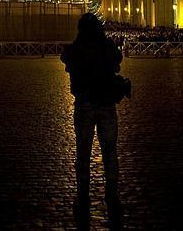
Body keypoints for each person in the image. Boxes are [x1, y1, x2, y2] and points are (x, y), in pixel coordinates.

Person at [61, 13, 129, 229]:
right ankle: (111, 191)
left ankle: (83, 193)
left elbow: (66, 60)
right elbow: (117, 62)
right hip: (107, 105)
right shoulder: (107, 46)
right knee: (110, 151)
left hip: (84, 105)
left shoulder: (76, 49)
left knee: (83, 152)